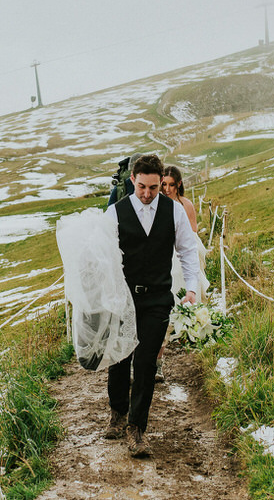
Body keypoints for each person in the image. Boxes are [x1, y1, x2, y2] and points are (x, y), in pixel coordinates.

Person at [103, 154, 200, 458]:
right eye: (142, 187)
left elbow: (187, 250)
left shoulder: (174, 212)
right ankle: (117, 411)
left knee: (145, 363)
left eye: (153, 188)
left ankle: (136, 428)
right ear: (133, 180)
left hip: (158, 298)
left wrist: (193, 288)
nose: (147, 194)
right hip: (124, 297)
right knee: (119, 358)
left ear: (161, 183)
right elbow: (104, 257)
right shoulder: (115, 213)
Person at [154, 165, 209, 382]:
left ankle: (193, 345)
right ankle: (157, 361)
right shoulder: (156, 204)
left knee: (177, 309)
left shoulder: (186, 205)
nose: (166, 189)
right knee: (161, 314)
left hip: (180, 261)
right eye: (164, 185)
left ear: (178, 185)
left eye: (171, 185)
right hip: (163, 261)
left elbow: (192, 236)